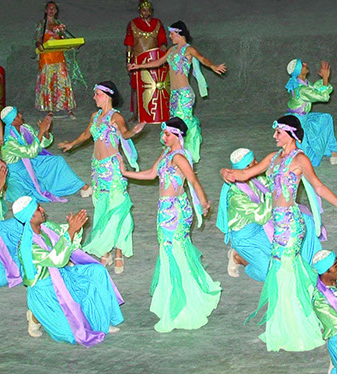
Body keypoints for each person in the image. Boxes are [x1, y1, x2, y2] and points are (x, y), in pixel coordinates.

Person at [221, 115, 337, 352]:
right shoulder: (273, 158)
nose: (274, 136)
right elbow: (244, 175)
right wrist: (224, 171)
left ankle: (293, 327)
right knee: (285, 271)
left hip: (291, 225)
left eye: (278, 132)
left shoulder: (300, 159)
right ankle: (291, 320)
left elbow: (318, 187)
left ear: (291, 133)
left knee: (283, 271)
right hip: (278, 224)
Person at [121, 117, 221, 332]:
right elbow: (151, 174)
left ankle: (181, 304)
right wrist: (125, 173)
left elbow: (193, 180)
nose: (163, 137)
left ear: (178, 135)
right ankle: (175, 297)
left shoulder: (179, 157)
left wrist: (203, 202)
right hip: (166, 209)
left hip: (175, 211)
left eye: (167, 134)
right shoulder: (167, 154)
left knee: (173, 251)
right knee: (171, 251)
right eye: (164, 133)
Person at [59, 81, 144, 274]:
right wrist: (72, 144)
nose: (94, 97)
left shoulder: (116, 117)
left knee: (117, 209)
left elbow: (125, 133)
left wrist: (134, 131)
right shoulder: (95, 116)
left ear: (107, 95)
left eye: (97, 93)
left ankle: (119, 250)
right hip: (97, 169)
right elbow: (86, 134)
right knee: (101, 207)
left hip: (112, 169)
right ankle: (106, 249)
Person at [12, 196, 123, 343]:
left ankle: (102, 321)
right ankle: (35, 315)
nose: (43, 209)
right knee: (71, 335)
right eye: (38, 208)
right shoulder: (28, 247)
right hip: (46, 290)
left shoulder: (47, 227)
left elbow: (68, 241)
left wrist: (75, 229)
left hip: (63, 276)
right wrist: (71, 230)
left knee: (97, 271)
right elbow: (57, 260)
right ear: (30, 217)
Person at [216, 148, 325, 280]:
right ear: (245, 168)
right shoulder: (235, 195)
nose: (257, 164)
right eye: (253, 163)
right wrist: (273, 193)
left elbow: (271, 180)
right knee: (269, 273)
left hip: (261, 229)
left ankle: (310, 263)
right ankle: (238, 257)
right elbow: (262, 216)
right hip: (245, 237)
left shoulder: (256, 179)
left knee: (301, 226)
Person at [128, 20, 226, 163]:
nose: (170, 36)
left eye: (172, 33)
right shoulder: (172, 50)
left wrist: (213, 66)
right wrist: (139, 66)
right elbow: (158, 62)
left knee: (182, 125)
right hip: (174, 95)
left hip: (184, 95)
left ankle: (186, 157)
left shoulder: (188, 49)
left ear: (179, 33)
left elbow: (202, 58)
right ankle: (176, 155)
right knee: (174, 124)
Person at [0, 105, 90, 204]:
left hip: (31, 163)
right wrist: (41, 132)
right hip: (17, 174)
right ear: (13, 122)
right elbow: (30, 152)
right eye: (17, 115)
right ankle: (9, 191)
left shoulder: (25, 128)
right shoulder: (9, 142)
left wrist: (45, 133)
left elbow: (40, 145)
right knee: (24, 199)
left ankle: (83, 187)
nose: (21, 115)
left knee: (57, 162)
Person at [285, 59, 337, 166]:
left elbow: (316, 89)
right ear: (299, 71)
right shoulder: (301, 89)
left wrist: (324, 79)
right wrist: (325, 78)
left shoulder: (303, 84)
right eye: (302, 64)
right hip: (298, 124)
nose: (306, 64)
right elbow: (323, 97)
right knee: (308, 160)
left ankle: (334, 154)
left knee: (326, 119)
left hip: (302, 119)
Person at [124, 0, 167, 119]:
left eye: (148, 10)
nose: (146, 12)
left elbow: (162, 42)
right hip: (137, 60)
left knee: (156, 86)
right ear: (140, 11)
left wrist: (163, 54)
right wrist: (128, 61)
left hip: (154, 60)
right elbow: (129, 44)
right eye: (144, 10)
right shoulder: (133, 24)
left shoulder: (157, 23)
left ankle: (156, 112)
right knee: (135, 88)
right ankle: (136, 114)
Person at [34, 1, 77, 117]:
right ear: (45, 10)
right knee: (49, 82)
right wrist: (39, 45)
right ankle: (50, 109)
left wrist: (62, 33)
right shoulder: (42, 24)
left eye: (53, 8)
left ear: (56, 11)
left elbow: (64, 39)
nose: (51, 10)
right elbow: (37, 39)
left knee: (63, 81)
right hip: (47, 57)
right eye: (49, 8)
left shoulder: (59, 24)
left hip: (58, 56)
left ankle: (68, 108)